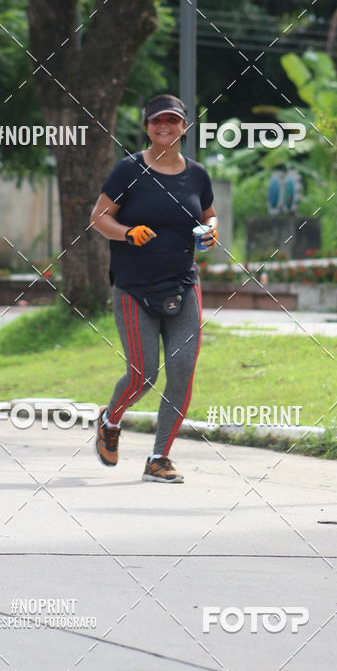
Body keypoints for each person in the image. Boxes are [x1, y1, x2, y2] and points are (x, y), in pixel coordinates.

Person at [90, 94, 218, 483]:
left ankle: (159, 457)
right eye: (157, 120)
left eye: (173, 120)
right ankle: (111, 419)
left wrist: (211, 233)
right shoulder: (128, 170)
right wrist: (127, 232)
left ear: (184, 127)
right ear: (147, 126)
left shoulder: (197, 174)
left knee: (181, 372)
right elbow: (98, 218)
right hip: (134, 288)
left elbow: (210, 216)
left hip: (183, 284)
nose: (165, 126)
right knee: (143, 374)